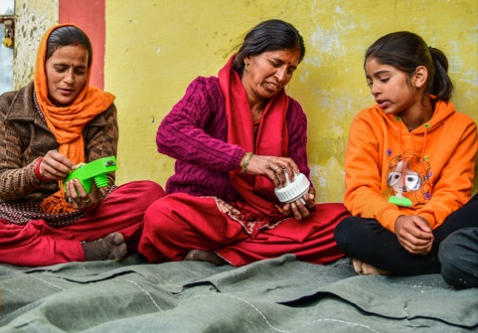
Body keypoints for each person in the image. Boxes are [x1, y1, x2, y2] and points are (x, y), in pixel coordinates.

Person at [138, 19, 349, 266]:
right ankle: (256, 253)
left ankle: (222, 255)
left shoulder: (293, 114)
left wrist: (302, 198)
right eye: (276, 63)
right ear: (248, 56)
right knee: (162, 215)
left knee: (343, 221)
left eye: (290, 69)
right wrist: (245, 160)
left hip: (265, 218)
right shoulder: (208, 91)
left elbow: (298, 172)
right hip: (208, 215)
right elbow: (170, 134)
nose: (282, 76)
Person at [0, 24, 164, 266]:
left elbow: (104, 181)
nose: (69, 80)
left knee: (149, 195)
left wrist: (90, 197)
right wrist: (37, 171)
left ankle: (37, 245)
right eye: (60, 69)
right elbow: (2, 183)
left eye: (79, 71)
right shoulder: (10, 106)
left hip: (80, 215)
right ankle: (82, 249)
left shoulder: (101, 110)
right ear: (43, 65)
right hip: (21, 213)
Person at [334, 32, 477, 283]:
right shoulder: (367, 122)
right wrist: (397, 221)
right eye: (371, 83)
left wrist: (422, 222)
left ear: (419, 76)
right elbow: (359, 191)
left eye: (384, 79)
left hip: (436, 227)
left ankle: (393, 265)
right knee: (348, 232)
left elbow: (453, 193)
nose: (375, 90)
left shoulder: (462, 128)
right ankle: (436, 261)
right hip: (388, 227)